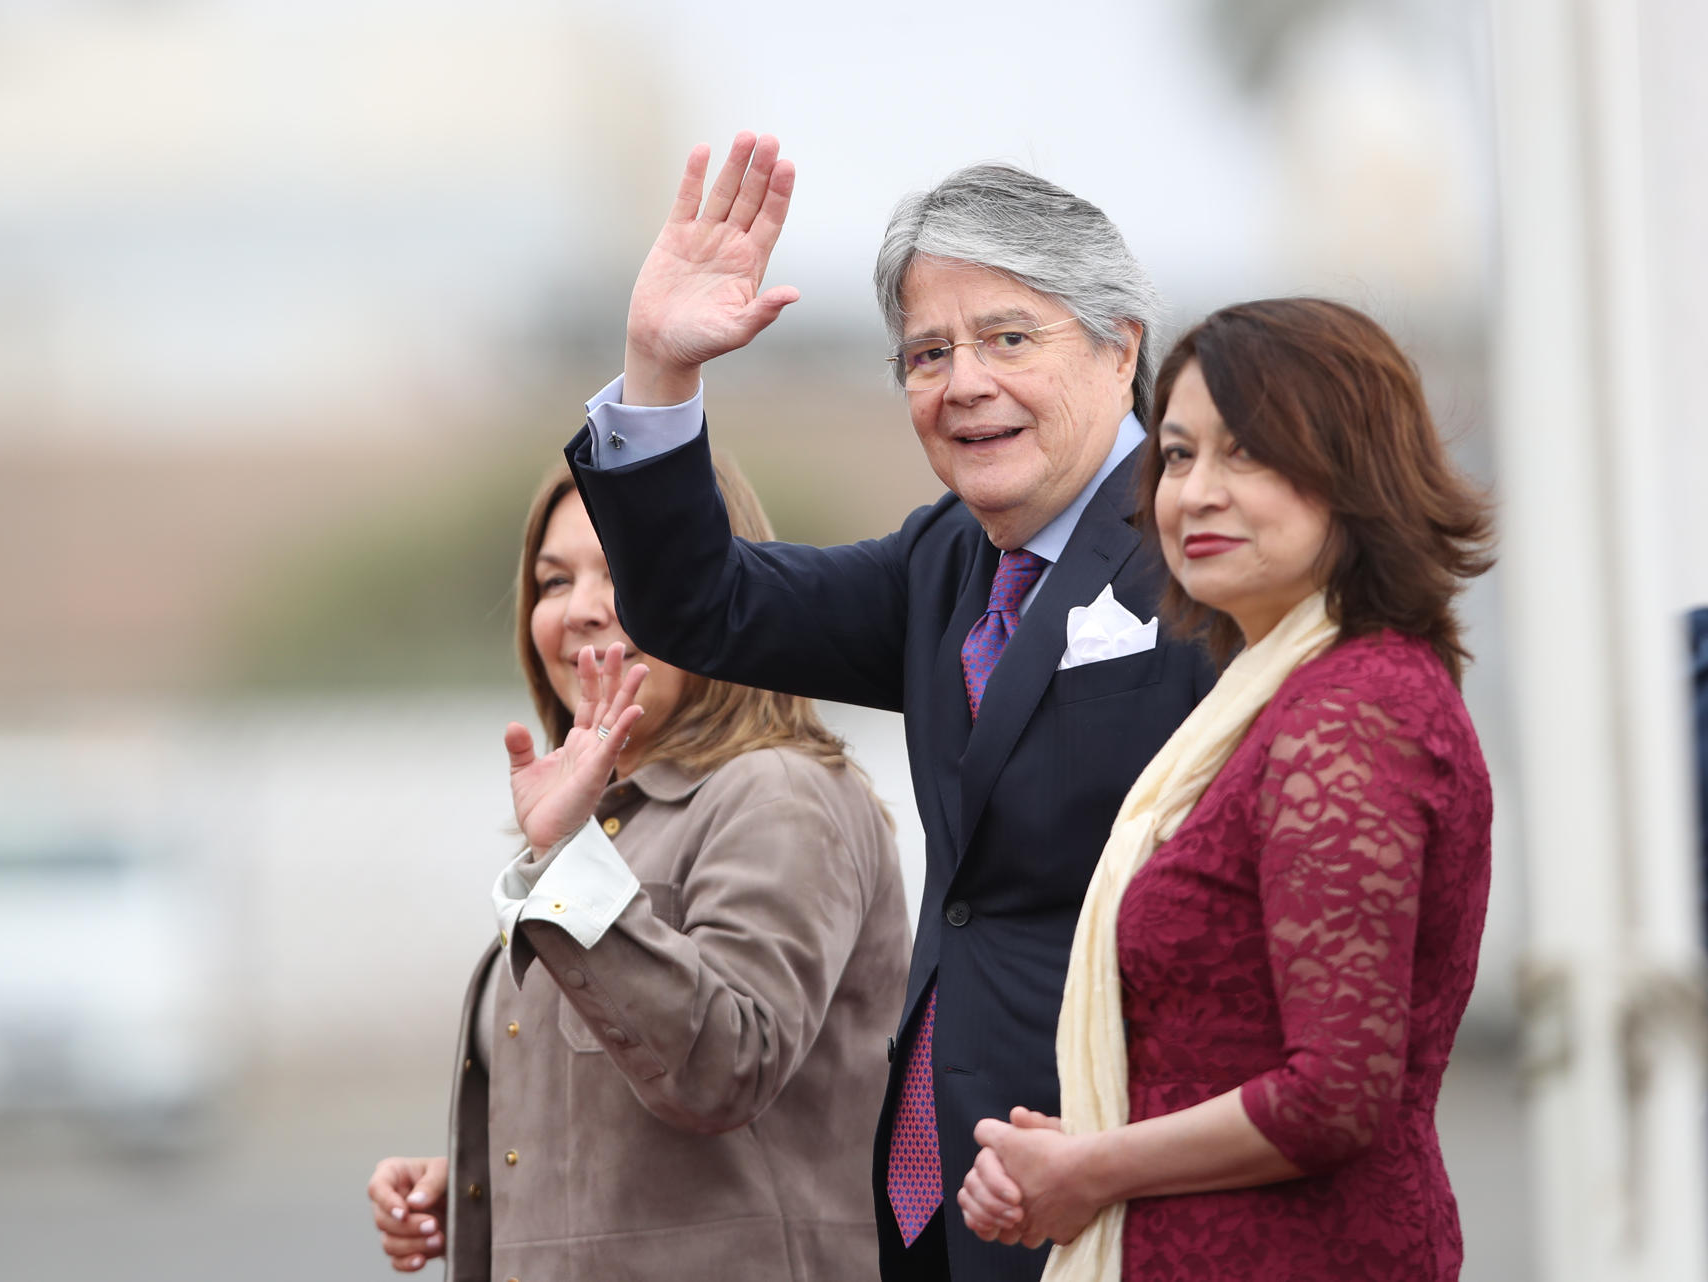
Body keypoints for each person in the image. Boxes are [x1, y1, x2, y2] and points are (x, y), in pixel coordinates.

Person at [564, 132, 1214, 1282]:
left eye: (1008, 337)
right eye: (925, 353)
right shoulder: (943, 564)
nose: (963, 382)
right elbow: (701, 606)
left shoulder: (1207, 554)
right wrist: (660, 370)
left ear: (1122, 349)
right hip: (940, 1206)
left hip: (1124, 1193)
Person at [957, 298, 1496, 1282]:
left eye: (1248, 454)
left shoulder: (1353, 715)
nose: (1196, 491)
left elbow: (1335, 1094)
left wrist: (1092, 1166)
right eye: (1178, 454)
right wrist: (1071, 1148)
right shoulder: (1270, 706)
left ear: (1355, 475)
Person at [363, 460, 909, 1280]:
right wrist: (493, 1187)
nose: (580, 609)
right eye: (553, 581)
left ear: (715, 587)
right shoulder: (607, 824)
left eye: (623, 571)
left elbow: (729, 1067)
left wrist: (568, 860)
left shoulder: (778, 793)